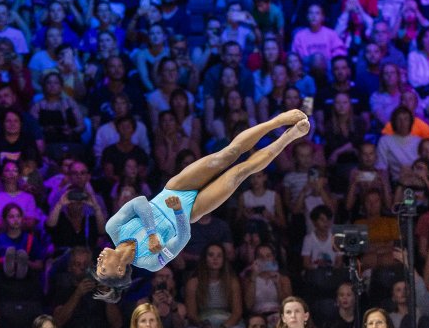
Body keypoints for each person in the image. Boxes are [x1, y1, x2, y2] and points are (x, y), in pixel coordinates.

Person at [95, 110, 311, 300]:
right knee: (239, 173)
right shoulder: (149, 262)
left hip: (174, 189)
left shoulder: (113, 229)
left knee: (226, 155)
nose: (99, 261)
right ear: (121, 269)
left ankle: (276, 122)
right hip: (191, 210)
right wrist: (179, 211)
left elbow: (139, 202)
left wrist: (152, 233)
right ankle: (287, 138)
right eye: (103, 268)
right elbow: (182, 238)